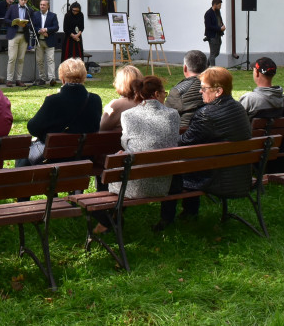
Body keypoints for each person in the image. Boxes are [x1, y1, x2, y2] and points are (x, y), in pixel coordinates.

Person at [156, 66, 251, 231]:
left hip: (217, 178)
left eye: (204, 88)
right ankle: (189, 213)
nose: (200, 92)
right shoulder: (238, 108)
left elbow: (183, 143)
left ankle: (167, 220)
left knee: (173, 169)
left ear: (218, 91)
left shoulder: (206, 114)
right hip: (240, 174)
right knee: (194, 162)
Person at [92, 75, 180, 234]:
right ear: (155, 94)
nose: (164, 96)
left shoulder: (128, 115)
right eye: (163, 93)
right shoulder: (173, 114)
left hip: (135, 185)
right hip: (165, 182)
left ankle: (106, 221)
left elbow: (126, 143)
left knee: (111, 172)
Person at [20, 58, 103, 166]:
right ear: (84, 77)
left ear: (62, 78)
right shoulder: (95, 99)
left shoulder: (53, 100)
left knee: (23, 157)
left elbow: (33, 128)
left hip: (54, 159)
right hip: (84, 158)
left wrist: (44, 108)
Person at [165, 50, 207, 130]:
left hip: (186, 137)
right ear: (206, 67)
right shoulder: (217, 88)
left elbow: (166, 118)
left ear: (185, 68)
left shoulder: (177, 91)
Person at [100, 64, 145, 132]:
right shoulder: (146, 103)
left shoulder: (116, 104)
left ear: (121, 84)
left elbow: (101, 127)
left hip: (118, 142)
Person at [4, 0, 33, 86]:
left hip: (24, 35)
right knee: (12, 58)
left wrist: (25, 25)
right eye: (22, 0)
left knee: (21, 59)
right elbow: (6, 20)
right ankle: (9, 79)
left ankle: (18, 79)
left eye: (25, 0)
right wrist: (15, 23)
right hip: (13, 35)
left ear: (27, 0)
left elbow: (31, 23)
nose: (23, 1)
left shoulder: (29, 10)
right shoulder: (12, 8)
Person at [31, 0, 60, 86]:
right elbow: (32, 26)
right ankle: (42, 78)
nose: (42, 6)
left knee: (50, 60)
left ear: (48, 6)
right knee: (39, 60)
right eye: (41, 5)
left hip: (49, 41)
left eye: (44, 5)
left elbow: (56, 27)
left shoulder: (53, 15)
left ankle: (52, 79)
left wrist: (47, 30)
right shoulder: (35, 15)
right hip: (38, 41)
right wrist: (40, 31)